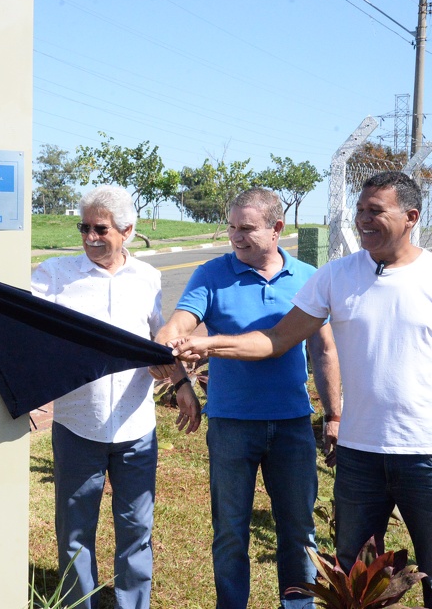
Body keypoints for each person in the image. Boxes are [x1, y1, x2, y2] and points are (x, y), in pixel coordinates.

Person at [170, 171, 432, 609]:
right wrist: (207, 344)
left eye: (375, 211)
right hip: (360, 455)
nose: (362, 219)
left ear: (411, 217)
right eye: (359, 209)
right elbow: (276, 339)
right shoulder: (335, 277)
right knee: (354, 582)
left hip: (431, 453)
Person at [152, 187, 341, 609]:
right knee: (231, 529)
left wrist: (334, 415)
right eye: (232, 227)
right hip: (231, 424)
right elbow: (179, 324)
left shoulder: (308, 276)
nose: (236, 237)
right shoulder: (212, 274)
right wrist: (168, 345)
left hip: (292, 424)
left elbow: (324, 350)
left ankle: (297, 604)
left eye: (247, 228)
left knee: (297, 528)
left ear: (277, 229)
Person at [31, 185, 200, 609]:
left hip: (135, 428)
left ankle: (133, 604)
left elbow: (157, 341)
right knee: (74, 531)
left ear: (126, 230)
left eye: (100, 228)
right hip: (77, 425)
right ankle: (77, 603)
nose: (90, 236)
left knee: (136, 529)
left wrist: (181, 384)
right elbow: (25, 327)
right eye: (84, 227)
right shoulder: (54, 275)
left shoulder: (147, 277)